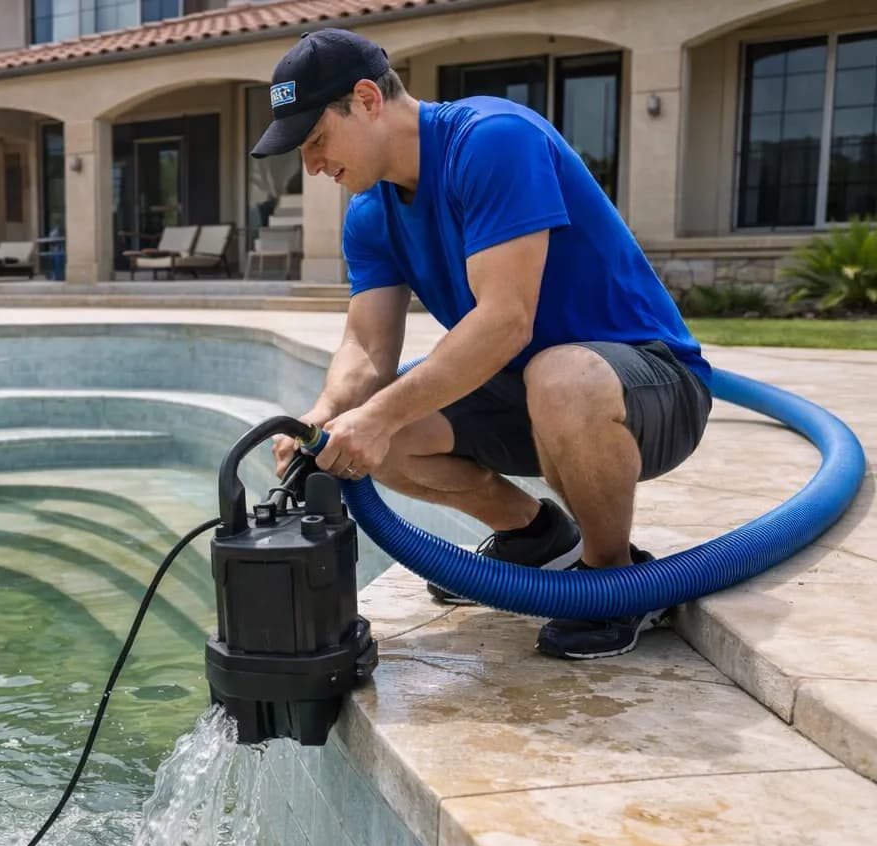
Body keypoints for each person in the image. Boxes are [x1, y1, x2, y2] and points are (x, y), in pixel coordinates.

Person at [256, 29, 713, 660]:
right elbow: (365, 350)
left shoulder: (493, 140)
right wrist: (323, 417)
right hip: (525, 388)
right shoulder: (370, 213)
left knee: (556, 377)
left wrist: (377, 415)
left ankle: (613, 580)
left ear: (366, 99)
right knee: (383, 438)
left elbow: (506, 321)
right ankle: (534, 535)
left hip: (647, 384)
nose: (310, 167)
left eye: (315, 141)